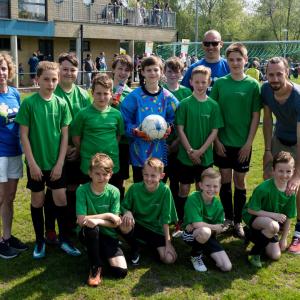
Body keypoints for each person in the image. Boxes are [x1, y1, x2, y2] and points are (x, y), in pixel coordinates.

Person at [15, 61, 81, 259]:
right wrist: (32, 163)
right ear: (37, 80)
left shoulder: (61, 104)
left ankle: (65, 240)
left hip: (56, 165)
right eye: (46, 79)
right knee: (38, 200)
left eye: (54, 79)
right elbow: (23, 136)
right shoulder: (29, 104)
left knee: (60, 199)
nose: (51, 84)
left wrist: (60, 163)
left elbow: (64, 136)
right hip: (36, 164)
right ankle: (40, 241)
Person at [210, 43, 261, 238]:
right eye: (231, 59)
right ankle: (228, 219)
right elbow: (213, 112)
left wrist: (248, 143)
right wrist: (216, 141)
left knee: (240, 181)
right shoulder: (221, 83)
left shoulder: (252, 85)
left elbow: (256, 116)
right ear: (227, 61)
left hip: (242, 145)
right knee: (224, 180)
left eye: (239, 59)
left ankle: (239, 221)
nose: (235, 63)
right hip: (223, 143)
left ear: (246, 60)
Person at [43, 53, 92, 244]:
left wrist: (78, 148)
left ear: (77, 71)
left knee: (73, 188)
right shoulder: (51, 92)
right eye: (64, 69)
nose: (69, 73)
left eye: (72, 70)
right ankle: (50, 229)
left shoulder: (82, 94)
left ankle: (69, 223)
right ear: (58, 70)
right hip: (56, 152)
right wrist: (67, 148)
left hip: (79, 150)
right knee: (54, 189)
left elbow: (88, 122)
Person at [175, 66, 223, 236]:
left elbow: (214, 131)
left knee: (202, 189)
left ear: (209, 82)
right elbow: (180, 129)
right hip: (185, 156)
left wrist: (200, 151)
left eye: (204, 82)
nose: (200, 85)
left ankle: (200, 220)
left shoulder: (213, 105)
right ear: (191, 82)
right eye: (197, 82)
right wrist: (190, 151)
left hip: (205, 156)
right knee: (184, 189)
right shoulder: (185, 104)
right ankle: (181, 220)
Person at [262, 56, 300, 254]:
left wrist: (298, 174)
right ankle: (271, 226)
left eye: (279, 74)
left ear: (287, 72)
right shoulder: (266, 89)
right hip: (279, 139)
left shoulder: (298, 97)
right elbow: (267, 121)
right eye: (271, 74)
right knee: (269, 178)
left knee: (295, 187)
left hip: (298, 142)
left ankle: (298, 233)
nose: (275, 78)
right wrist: (267, 151)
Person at [120, 55, 179, 183]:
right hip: (139, 152)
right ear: (142, 72)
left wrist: (169, 128)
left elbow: (175, 117)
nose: (152, 73)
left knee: (158, 189)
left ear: (161, 72)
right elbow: (124, 120)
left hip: (160, 152)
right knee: (141, 187)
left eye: (156, 70)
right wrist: (135, 131)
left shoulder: (168, 97)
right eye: (149, 70)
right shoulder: (134, 97)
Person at [76, 153, 127, 287]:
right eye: (97, 173)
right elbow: (81, 220)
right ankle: (95, 267)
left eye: (105, 174)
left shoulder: (115, 191)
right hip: (88, 233)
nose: (101, 177)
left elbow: (115, 222)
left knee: (120, 272)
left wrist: (100, 219)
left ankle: (100, 254)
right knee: (91, 227)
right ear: (90, 173)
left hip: (109, 234)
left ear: (110, 175)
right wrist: (108, 215)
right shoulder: (82, 190)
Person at [119, 157, 178, 265]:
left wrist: (168, 243)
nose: (149, 179)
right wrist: (127, 211)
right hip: (138, 225)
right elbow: (121, 207)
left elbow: (166, 219)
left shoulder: (165, 190)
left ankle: (148, 246)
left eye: (153, 176)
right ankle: (135, 247)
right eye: (146, 175)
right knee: (123, 223)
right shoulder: (134, 188)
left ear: (162, 176)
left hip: (156, 230)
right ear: (142, 173)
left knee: (169, 259)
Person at [72, 73, 124, 193]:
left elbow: (118, 135)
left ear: (111, 94)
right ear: (92, 93)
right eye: (98, 93)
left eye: (106, 93)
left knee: (111, 194)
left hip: (112, 162)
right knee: (90, 196)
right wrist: (83, 149)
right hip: (89, 164)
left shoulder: (116, 114)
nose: (102, 97)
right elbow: (76, 137)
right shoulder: (83, 114)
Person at [243, 151, 296, 268]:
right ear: (273, 170)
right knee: (273, 226)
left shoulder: (290, 193)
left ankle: (250, 234)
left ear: (293, 171)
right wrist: (274, 216)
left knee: (275, 255)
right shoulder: (263, 188)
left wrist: (284, 239)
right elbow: (251, 210)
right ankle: (254, 254)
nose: (284, 175)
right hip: (253, 216)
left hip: (269, 222)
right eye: (280, 171)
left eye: (288, 171)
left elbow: (289, 216)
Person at [0, 52, 28, 259]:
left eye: (3, 68)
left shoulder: (14, 93)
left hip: (14, 152)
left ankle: (7, 238)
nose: (1, 73)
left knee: (9, 198)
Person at [182, 168, 232, 272]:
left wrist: (219, 228)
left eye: (215, 186)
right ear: (200, 185)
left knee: (226, 267)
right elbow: (196, 224)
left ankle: (204, 250)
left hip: (209, 236)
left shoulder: (218, 205)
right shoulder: (193, 198)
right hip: (191, 234)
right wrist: (213, 227)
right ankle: (195, 256)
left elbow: (220, 229)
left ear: (220, 187)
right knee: (205, 231)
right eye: (208, 185)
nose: (211, 189)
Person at [162, 57, 192, 206]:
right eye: (169, 71)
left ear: (181, 73)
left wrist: (176, 142)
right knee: (159, 179)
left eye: (176, 71)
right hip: (160, 145)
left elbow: (187, 121)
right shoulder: (159, 90)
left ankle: (175, 213)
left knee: (175, 180)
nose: (173, 75)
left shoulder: (186, 92)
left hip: (180, 144)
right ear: (164, 72)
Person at [111, 54, 133, 200]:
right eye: (120, 68)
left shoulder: (131, 94)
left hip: (124, 143)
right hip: (106, 140)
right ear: (113, 69)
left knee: (120, 178)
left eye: (126, 70)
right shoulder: (105, 89)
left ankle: (119, 209)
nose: (123, 72)